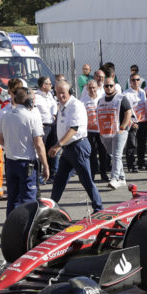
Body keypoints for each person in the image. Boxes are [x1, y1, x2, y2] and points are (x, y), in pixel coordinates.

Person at [47, 81, 104, 211]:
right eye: (57, 92)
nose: (60, 95)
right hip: (68, 148)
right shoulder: (62, 106)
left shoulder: (75, 105)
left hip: (78, 146)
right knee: (59, 180)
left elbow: (74, 128)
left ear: (70, 92)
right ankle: (51, 208)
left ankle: (99, 208)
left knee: (86, 180)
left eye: (63, 93)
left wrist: (57, 145)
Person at [0, 86, 49, 215]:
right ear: (30, 101)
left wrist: (11, 147)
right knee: (28, 200)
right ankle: (25, 230)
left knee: (12, 199)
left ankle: (10, 228)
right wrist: (46, 166)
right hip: (27, 164)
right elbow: (39, 144)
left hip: (10, 162)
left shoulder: (5, 115)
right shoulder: (32, 117)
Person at [97, 77, 133, 189]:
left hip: (119, 131)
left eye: (111, 85)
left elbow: (128, 113)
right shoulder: (100, 100)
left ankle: (114, 178)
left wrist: (122, 127)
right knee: (113, 154)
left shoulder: (121, 98)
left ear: (114, 86)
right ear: (103, 87)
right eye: (106, 86)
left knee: (117, 155)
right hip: (106, 132)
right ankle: (122, 178)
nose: (108, 88)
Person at [81, 79, 109, 181]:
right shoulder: (83, 101)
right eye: (90, 88)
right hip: (90, 131)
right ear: (87, 89)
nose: (92, 90)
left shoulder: (102, 99)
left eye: (94, 87)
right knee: (92, 153)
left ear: (97, 88)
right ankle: (92, 174)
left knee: (103, 153)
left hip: (101, 130)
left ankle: (104, 173)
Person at [123, 72, 147, 171]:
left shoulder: (143, 92)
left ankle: (141, 163)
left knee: (142, 144)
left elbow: (145, 106)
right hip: (133, 123)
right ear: (130, 82)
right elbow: (125, 110)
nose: (136, 82)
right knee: (131, 145)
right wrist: (131, 122)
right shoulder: (126, 94)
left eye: (137, 80)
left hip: (143, 121)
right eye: (133, 80)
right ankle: (131, 166)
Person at [35, 76, 58, 180]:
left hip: (52, 124)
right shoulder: (36, 97)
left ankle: (52, 173)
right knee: (42, 149)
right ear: (44, 85)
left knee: (52, 148)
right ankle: (41, 174)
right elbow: (34, 111)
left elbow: (54, 106)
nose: (51, 85)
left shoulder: (50, 95)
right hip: (43, 126)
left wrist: (54, 114)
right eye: (49, 83)